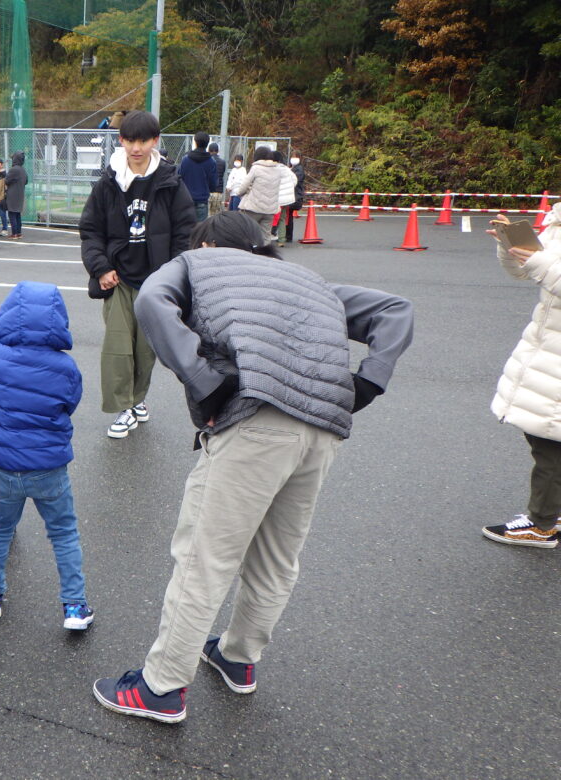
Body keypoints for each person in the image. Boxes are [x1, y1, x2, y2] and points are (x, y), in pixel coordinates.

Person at [91, 211, 414, 723]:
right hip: (322, 429)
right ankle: (239, 657)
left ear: (208, 244)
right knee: (277, 556)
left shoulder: (198, 264)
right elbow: (395, 309)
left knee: (205, 559)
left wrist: (203, 381)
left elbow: (151, 298)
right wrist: (368, 381)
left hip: (255, 424)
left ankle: (161, 687)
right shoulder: (308, 279)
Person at [0, 282, 93, 631]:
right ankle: (75, 606)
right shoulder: (66, 368)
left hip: (4, 469)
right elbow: (69, 404)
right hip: (49, 468)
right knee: (63, 534)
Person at [79, 110, 195, 439]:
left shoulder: (171, 183)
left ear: (155, 141)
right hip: (118, 280)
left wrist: (173, 276)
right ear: (121, 141)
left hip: (156, 283)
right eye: (130, 140)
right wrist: (101, 268)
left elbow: (185, 234)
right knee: (117, 348)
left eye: (143, 140)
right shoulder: (108, 182)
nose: (136, 148)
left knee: (146, 350)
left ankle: (137, 398)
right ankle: (124, 407)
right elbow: (90, 231)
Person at [482, 204, 561, 548]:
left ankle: (542, 524)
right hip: (547, 345)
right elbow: (527, 270)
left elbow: (544, 267)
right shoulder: (558, 220)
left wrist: (539, 262)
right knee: (543, 433)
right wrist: (510, 245)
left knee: (550, 441)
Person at [235, 146, 281, 243]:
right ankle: (265, 252)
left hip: (253, 208)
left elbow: (243, 186)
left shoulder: (256, 168)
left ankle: (248, 251)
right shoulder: (278, 169)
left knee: (247, 233)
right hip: (270, 209)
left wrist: (239, 193)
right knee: (266, 236)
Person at [178, 131, 219, 222]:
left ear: (195, 142)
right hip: (202, 201)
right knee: (200, 229)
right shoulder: (211, 162)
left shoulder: (185, 160)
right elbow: (213, 184)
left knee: (185, 227)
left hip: (186, 200)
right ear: (207, 144)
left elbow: (179, 178)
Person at [272, 150, 298, 248]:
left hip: (275, 198)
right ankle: (281, 240)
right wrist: (289, 190)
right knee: (282, 218)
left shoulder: (273, 169)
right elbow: (294, 180)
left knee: (269, 217)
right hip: (285, 199)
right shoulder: (287, 169)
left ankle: (267, 236)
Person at [4, 151, 28, 240]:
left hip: (12, 194)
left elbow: (6, 180)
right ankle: (19, 233)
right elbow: (26, 181)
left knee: (12, 214)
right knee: (17, 214)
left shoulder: (14, 169)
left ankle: (14, 234)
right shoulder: (22, 169)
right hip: (20, 193)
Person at [286, 152, 305, 243]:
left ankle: (288, 236)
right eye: (292, 157)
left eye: (295, 157)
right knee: (287, 216)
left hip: (295, 196)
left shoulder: (299, 169)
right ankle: (286, 235)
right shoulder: (291, 168)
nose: (293, 158)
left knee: (288, 216)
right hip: (291, 195)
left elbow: (295, 180)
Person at [206, 142, 227, 214]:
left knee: (208, 214)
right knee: (216, 214)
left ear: (208, 151)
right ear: (218, 151)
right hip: (219, 191)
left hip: (208, 191)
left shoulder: (207, 161)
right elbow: (222, 173)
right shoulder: (222, 162)